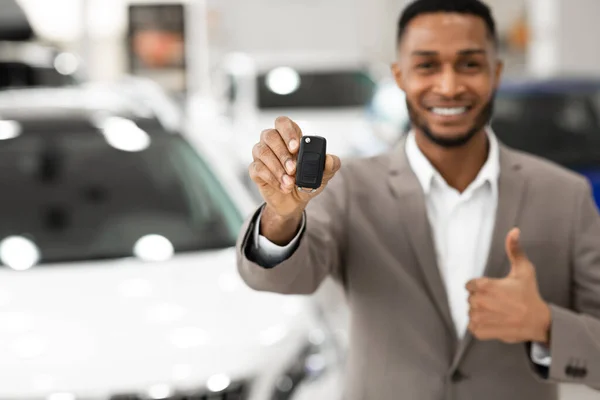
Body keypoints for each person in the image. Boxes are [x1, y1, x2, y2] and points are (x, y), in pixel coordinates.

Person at [236, 0, 600, 398]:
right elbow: (281, 277)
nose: (448, 86)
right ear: (400, 76)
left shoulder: (565, 196)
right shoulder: (350, 187)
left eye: (469, 64)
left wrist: (545, 325)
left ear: (495, 73)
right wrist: (281, 217)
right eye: (427, 65)